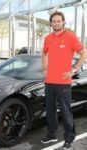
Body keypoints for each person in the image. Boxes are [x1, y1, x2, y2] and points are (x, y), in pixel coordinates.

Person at [41, 11, 87, 150]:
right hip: (49, 81)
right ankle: (52, 134)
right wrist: (44, 68)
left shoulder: (70, 37)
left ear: (63, 22)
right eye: (53, 21)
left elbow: (84, 52)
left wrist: (74, 69)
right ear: (51, 23)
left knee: (66, 111)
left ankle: (69, 138)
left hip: (63, 82)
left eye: (58, 21)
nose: (56, 23)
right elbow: (44, 53)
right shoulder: (48, 38)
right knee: (50, 110)